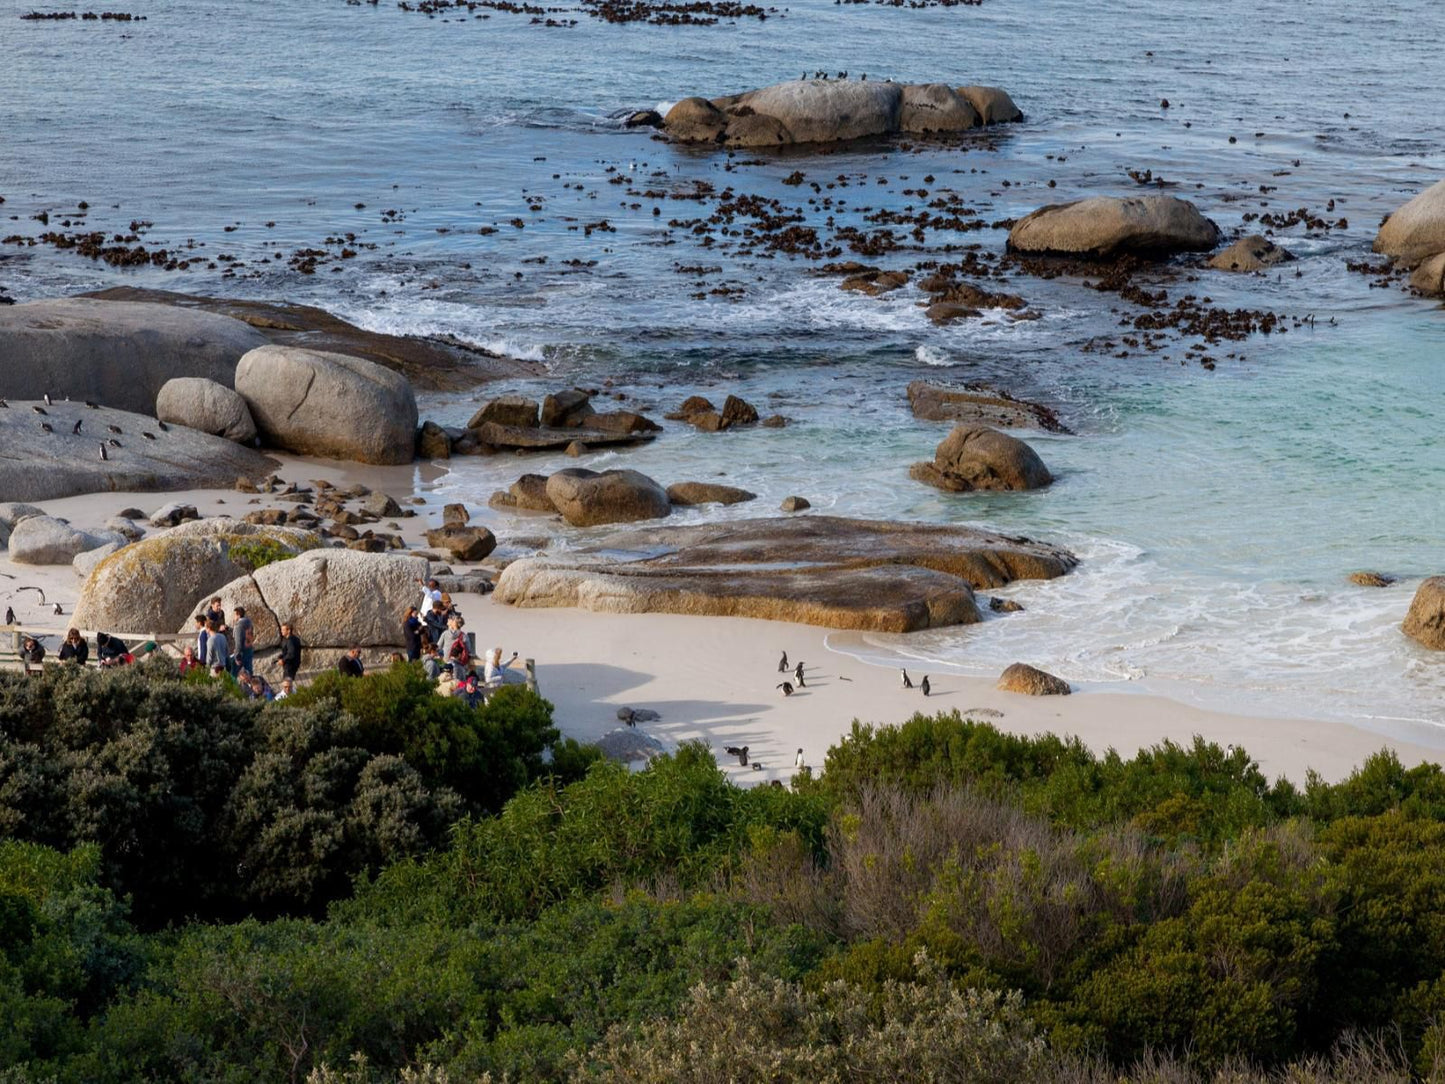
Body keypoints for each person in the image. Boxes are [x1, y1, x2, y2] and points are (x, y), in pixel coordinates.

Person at [232, 606, 255, 679]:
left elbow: (238, 642)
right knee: (249, 672)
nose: (233, 617)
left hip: (242, 652)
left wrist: (237, 656)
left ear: (238, 615)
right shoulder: (249, 623)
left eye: (234, 615)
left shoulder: (239, 626)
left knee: (234, 673)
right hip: (249, 649)